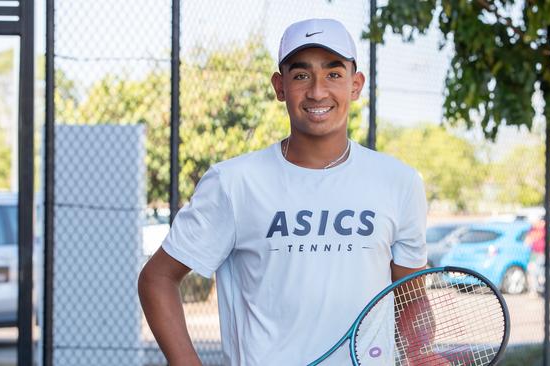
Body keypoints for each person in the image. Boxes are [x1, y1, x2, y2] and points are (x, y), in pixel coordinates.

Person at [138, 18, 428, 365]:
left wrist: (418, 351)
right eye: (301, 75)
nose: (318, 91)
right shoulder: (233, 182)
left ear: (356, 84)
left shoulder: (400, 182)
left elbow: (411, 298)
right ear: (280, 86)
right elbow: (157, 278)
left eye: (333, 74)